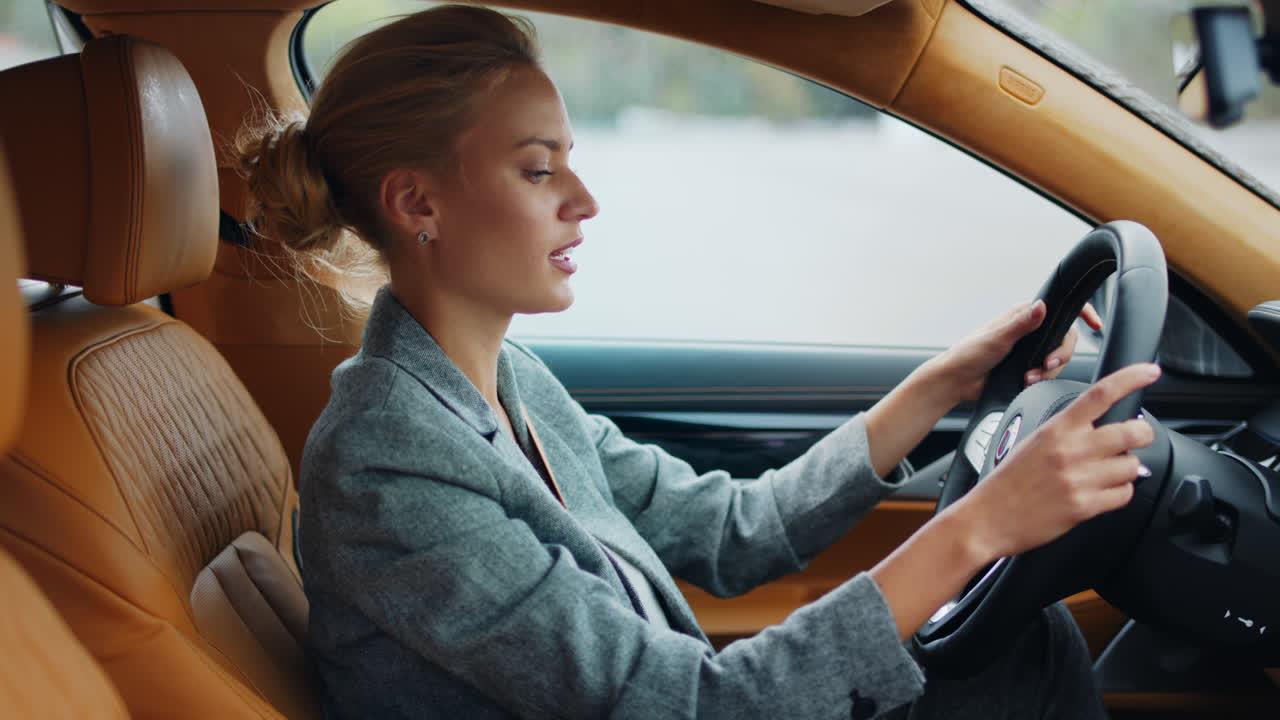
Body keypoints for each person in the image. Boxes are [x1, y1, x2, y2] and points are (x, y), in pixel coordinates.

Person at [237, 5, 1157, 718]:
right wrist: (982, 527)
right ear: (416, 203)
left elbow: (732, 533)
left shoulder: (510, 385)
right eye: (537, 168)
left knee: (1026, 647)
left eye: (570, 161)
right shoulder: (387, 465)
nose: (585, 200)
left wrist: (941, 386)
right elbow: (693, 706)